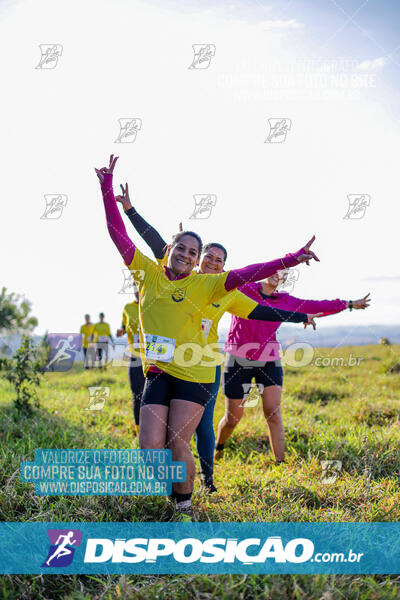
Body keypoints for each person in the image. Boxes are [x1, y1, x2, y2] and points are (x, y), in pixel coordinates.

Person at [95, 154, 319, 518]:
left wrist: (291, 259)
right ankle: (177, 488)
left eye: (193, 252)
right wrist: (107, 189)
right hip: (158, 370)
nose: (187, 255)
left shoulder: (210, 285)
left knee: (178, 440)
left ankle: (185, 504)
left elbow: (252, 274)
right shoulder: (148, 273)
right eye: (181, 249)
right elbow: (117, 232)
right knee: (150, 448)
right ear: (171, 251)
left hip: (197, 373)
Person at [215, 270, 371, 463]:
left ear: (284, 280)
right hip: (238, 359)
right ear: (265, 272)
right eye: (275, 270)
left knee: (273, 412)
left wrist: (347, 304)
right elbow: (221, 276)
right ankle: (219, 446)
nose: (278, 275)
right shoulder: (244, 289)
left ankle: (280, 463)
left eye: (284, 273)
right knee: (233, 418)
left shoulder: (286, 300)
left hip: (269, 360)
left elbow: (318, 306)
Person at [116, 285, 144, 435]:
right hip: (135, 357)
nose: (137, 289)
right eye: (135, 286)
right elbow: (123, 325)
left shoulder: (154, 303)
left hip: (154, 358)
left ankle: (155, 430)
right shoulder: (128, 307)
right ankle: (139, 431)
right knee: (137, 395)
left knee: (154, 396)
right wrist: (120, 331)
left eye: (140, 286)